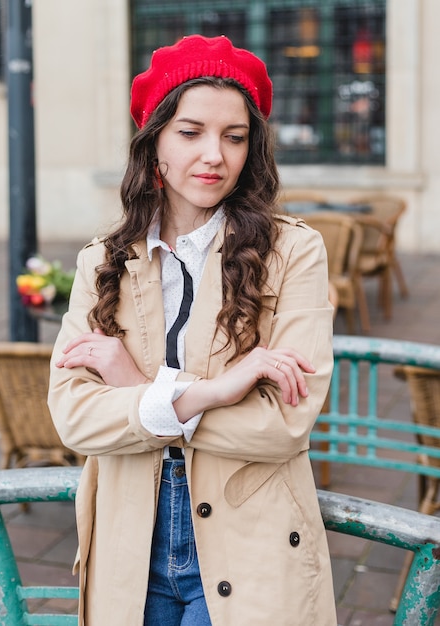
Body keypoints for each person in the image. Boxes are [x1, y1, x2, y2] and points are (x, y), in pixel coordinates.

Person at [48, 34, 337, 626]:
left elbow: (285, 422)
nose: (214, 155)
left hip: (251, 532)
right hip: (130, 539)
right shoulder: (102, 260)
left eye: (234, 137)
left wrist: (136, 390)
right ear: (154, 142)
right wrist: (210, 391)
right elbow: (73, 415)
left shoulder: (293, 252)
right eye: (190, 132)